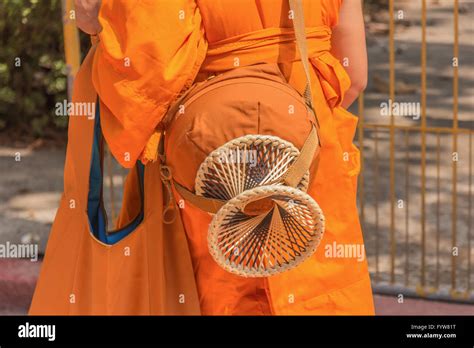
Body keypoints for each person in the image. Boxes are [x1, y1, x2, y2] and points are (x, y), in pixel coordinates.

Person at [70, 0, 374, 315]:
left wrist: (99, 20)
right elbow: (354, 76)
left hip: (209, 160)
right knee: (320, 289)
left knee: (216, 294)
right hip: (306, 151)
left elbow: (149, 72)